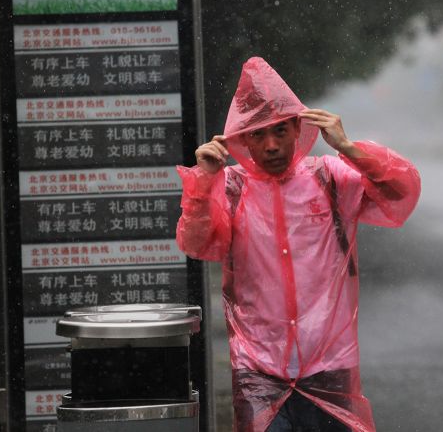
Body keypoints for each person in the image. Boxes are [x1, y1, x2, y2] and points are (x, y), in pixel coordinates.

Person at [176, 57, 421, 432]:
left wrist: (350, 148)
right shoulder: (230, 188)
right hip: (258, 368)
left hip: (329, 363)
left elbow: (401, 193)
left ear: (296, 129)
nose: (271, 146)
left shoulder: (329, 177)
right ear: (241, 140)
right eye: (257, 135)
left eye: (280, 131)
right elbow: (196, 243)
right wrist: (202, 184)